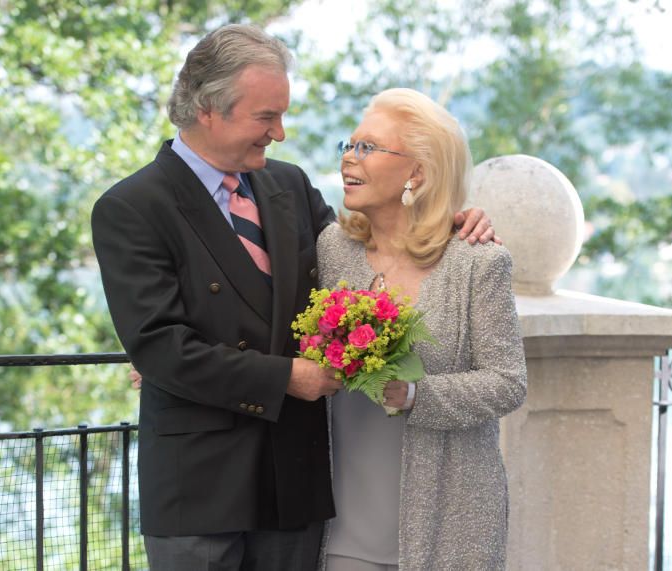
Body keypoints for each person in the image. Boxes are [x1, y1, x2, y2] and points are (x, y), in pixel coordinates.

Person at [92, 24, 495, 571]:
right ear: (208, 108)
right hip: (202, 485)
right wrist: (285, 377)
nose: (279, 133)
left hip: (294, 478)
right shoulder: (132, 207)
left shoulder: (289, 185)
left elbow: (360, 261)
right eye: (266, 117)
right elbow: (162, 348)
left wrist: (446, 221)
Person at [316, 88, 527, 571]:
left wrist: (415, 395)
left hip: (449, 521)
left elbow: (509, 382)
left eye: (368, 147)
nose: (349, 157)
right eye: (348, 144)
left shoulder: (478, 262)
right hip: (342, 520)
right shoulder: (332, 247)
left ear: (418, 172)